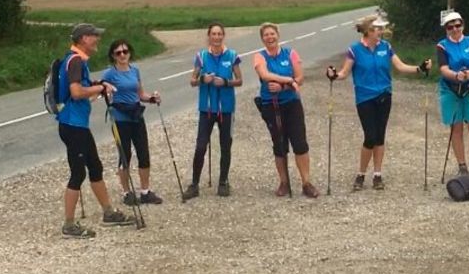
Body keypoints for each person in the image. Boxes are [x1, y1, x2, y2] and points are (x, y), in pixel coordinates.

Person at [325, 14, 430, 191]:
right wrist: (334, 75)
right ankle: (361, 174)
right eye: (377, 28)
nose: (381, 31)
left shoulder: (385, 47)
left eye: (381, 28)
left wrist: (419, 68)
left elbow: (400, 66)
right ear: (368, 30)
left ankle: (377, 174)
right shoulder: (355, 50)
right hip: (365, 97)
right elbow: (344, 72)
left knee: (380, 136)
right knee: (370, 136)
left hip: (384, 95)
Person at [54, 23, 133, 238]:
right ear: (83, 39)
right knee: (78, 173)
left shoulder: (76, 60)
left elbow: (80, 89)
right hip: (73, 125)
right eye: (94, 36)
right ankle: (69, 225)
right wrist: (100, 87)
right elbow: (76, 92)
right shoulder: (76, 61)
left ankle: (108, 212)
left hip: (77, 124)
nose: (97, 39)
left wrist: (98, 86)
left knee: (95, 167)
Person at [252, 22, 318, 198]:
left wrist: (284, 86)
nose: (270, 37)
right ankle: (284, 182)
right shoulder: (259, 57)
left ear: (278, 35)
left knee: (300, 143)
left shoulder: (290, 53)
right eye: (266, 35)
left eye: (272, 34)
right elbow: (265, 75)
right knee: (279, 145)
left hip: (291, 103)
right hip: (271, 105)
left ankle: (306, 182)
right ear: (262, 39)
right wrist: (288, 80)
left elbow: (300, 77)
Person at [99, 39, 163, 206]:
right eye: (118, 53)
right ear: (113, 55)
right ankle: (127, 192)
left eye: (125, 51)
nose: (122, 55)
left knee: (144, 153)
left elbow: (140, 94)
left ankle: (145, 191)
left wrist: (152, 98)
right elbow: (101, 91)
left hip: (136, 116)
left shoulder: (135, 70)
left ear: (129, 53)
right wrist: (106, 92)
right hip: (120, 119)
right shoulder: (109, 74)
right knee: (125, 155)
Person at [184, 22, 243, 200]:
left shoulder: (232, 55)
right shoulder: (201, 56)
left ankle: (223, 181)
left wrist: (225, 82)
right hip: (207, 109)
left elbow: (240, 80)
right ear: (209, 36)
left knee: (225, 145)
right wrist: (203, 79)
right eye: (213, 34)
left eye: (219, 34)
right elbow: (192, 81)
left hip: (226, 108)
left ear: (223, 36)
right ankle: (194, 184)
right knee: (201, 146)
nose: (216, 37)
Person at [435, 11, 469, 178]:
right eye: (450, 27)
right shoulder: (442, 46)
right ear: (446, 29)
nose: (455, 29)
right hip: (451, 90)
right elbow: (443, 68)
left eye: (457, 25)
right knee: (456, 128)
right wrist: (455, 75)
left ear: (463, 25)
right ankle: (462, 166)